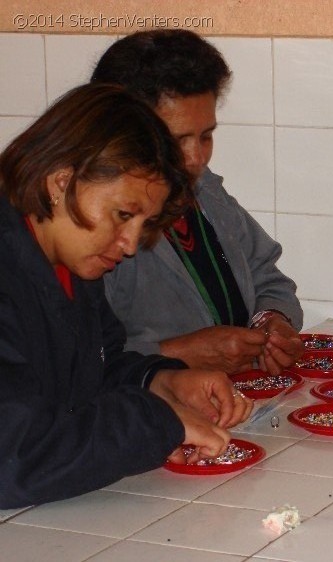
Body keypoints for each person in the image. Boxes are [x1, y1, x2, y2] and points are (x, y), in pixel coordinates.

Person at [0, 84, 253, 509]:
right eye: (122, 215)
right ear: (62, 182)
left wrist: (160, 380)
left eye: (143, 223)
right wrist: (156, 422)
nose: (130, 244)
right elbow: (13, 456)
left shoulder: (69, 258)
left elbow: (92, 369)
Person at [90, 30, 304, 376]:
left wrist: (272, 322)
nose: (195, 159)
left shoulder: (203, 191)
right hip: (147, 416)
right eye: (176, 140)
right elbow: (79, 362)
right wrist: (177, 354)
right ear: (120, 132)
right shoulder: (93, 229)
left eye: (206, 137)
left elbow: (269, 278)